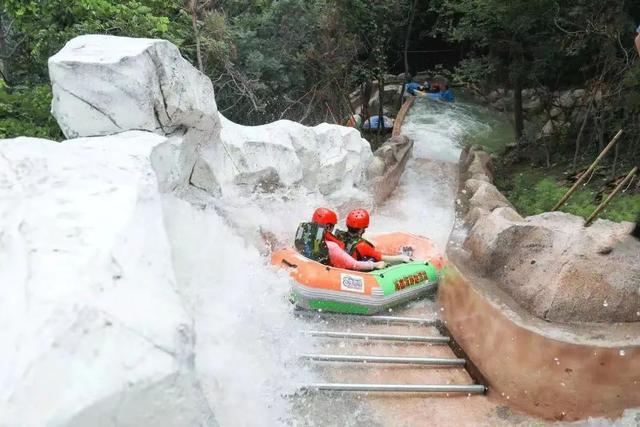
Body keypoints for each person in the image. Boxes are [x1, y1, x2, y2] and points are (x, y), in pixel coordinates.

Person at [295, 208, 385, 271]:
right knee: (370, 260)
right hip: (328, 274)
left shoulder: (307, 237)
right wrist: (375, 265)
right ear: (328, 226)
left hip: (308, 268)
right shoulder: (332, 246)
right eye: (332, 226)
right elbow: (354, 264)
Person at [335, 208, 412, 265]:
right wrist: (402, 257)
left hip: (345, 262)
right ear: (363, 228)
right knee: (379, 261)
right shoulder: (362, 245)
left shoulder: (339, 235)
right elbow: (383, 258)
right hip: (358, 266)